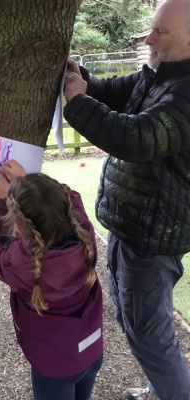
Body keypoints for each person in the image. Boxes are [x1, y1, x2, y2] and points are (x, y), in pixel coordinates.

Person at [63, 0, 190, 399]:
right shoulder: (158, 75)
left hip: (154, 237)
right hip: (132, 224)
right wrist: (79, 78)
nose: (149, 39)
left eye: (161, 32)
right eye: (152, 28)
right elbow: (110, 91)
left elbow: (137, 137)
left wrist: (78, 104)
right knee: (136, 320)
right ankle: (160, 389)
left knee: (149, 333)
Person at [0, 159, 103, 400]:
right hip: (91, 350)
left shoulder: (19, 263)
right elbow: (69, 196)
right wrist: (28, 184)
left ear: (19, 229)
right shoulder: (85, 233)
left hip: (54, 367)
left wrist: (0, 203)